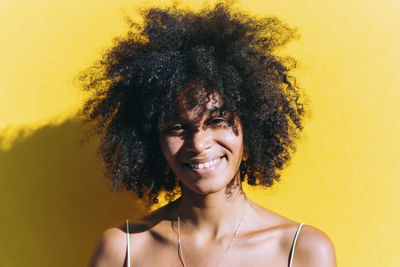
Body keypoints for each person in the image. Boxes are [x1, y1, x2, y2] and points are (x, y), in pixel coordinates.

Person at [82, 2, 336, 266]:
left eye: (216, 120)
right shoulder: (123, 249)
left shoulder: (302, 251)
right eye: (177, 127)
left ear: (250, 127)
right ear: (152, 142)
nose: (199, 143)